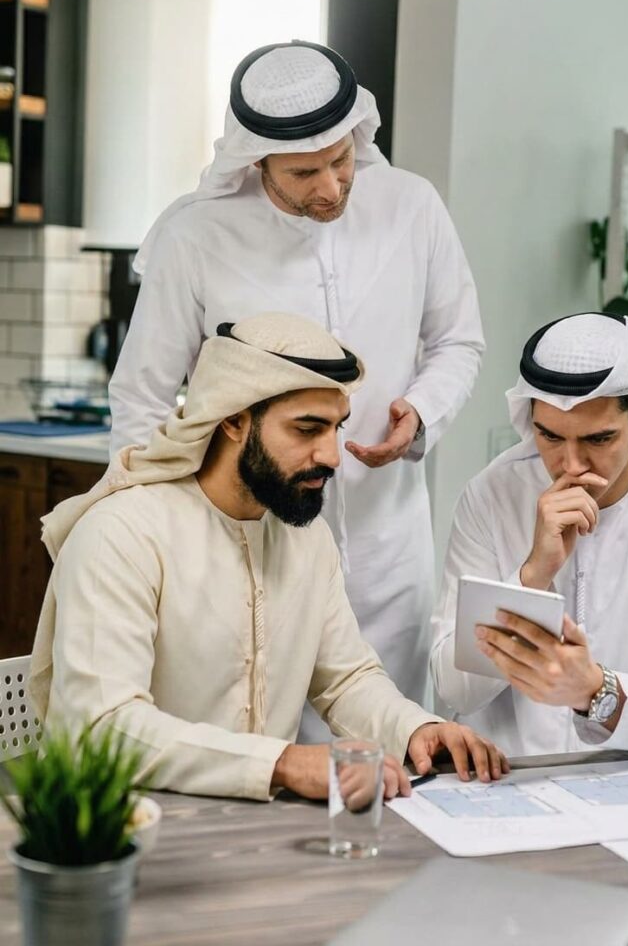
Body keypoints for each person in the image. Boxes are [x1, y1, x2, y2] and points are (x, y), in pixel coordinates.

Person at [108, 41, 485, 723]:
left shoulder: (412, 206)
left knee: (389, 738)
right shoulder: (196, 237)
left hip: (388, 547)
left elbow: (458, 339)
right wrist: (149, 535)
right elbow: (141, 394)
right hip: (246, 546)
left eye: (342, 161)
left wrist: (421, 412)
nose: (331, 187)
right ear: (257, 160)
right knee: (259, 743)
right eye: (305, 172)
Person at [29, 314, 507, 801]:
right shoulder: (122, 534)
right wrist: (282, 764)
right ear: (233, 419)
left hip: (251, 824)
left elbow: (346, 679)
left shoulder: (306, 539)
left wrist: (415, 729)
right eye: (307, 429)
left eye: (336, 428)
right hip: (115, 826)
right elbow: (105, 724)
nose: (332, 455)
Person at [430, 312, 628, 757]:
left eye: (598, 439)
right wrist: (532, 576)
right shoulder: (490, 497)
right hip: (500, 779)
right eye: (551, 437)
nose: (571, 465)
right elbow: (453, 688)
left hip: (627, 784)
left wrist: (594, 690)